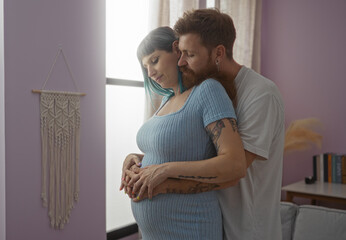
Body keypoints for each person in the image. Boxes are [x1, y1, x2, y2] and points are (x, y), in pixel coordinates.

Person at [123, 8, 285, 240]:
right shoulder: (201, 91)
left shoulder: (260, 94)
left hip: (248, 230)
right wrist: (142, 161)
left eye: (189, 54)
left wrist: (161, 178)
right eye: (179, 52)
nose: (181, 62)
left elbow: (232, 171)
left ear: (218, 53)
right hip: (218, 221)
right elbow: (195, 152)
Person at [122, 26, 246, 240]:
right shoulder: (166, 101)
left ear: (177, 51)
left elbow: (234, 164)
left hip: (191, 227)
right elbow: (179, 151)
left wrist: (164, 170)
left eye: (154, 60)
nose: (150, 72)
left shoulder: (207, 91)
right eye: (145, 67)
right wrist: (135, 159)